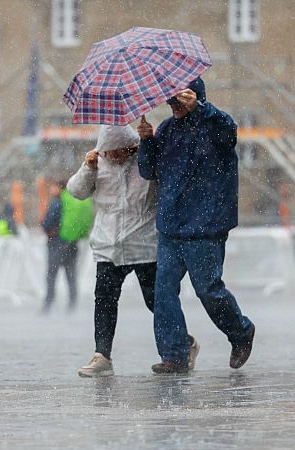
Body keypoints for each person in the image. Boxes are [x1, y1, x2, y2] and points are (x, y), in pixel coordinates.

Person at [137, 77, 256, 374]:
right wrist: (147, 141)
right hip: (170, 227)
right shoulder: (166, 130)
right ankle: (175, 353)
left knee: (209, 290)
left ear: (193, 95)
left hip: (206, 225)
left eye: (178, 99)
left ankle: (240, 332)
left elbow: (229, 133)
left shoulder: (215, 124)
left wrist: (202, 109)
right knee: (163, 292)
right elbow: (148, 171)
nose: (173, 106)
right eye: (170, 100)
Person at [67, 124, 200, 377]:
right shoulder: (97, 163)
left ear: (131, 147)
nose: (114, 157)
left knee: (156, 302)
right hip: (108, 246)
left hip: (144, 245)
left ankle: (184, 344)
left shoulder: (146, 161)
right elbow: (76, 191)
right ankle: (102, 355)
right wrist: (88, 167)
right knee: (104, 302)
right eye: (109, 152)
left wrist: (149, 141)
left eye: (120, 152)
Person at [40, 178, 92, 314]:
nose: (51, 190)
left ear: (59, 187)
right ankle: (72, 304)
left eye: (53, 187)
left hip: (57, 242)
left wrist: (44, 225)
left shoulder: (58, 202)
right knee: (70, 273)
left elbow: (48, 221)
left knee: (52, 273)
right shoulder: (74, 200)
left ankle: (48, 303)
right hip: (72, 242)